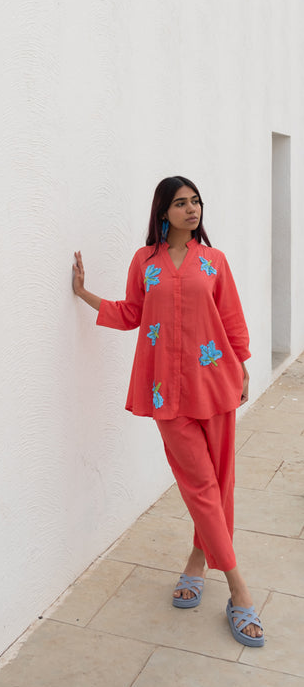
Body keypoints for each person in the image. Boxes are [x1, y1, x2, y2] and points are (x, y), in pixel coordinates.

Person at [72, 175, 264, 647]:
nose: (191, 209)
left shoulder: (214, 261)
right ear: (163, 212)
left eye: (196, 201)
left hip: (215, 383)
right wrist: (83, 294)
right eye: (181, 203)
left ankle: (197, 562)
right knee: (200, 486)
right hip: (165, 394)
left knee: (220, 484)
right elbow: (131, 313)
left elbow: (233, 318)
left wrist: (242, 369)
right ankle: (240, 593)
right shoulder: (146, 262)